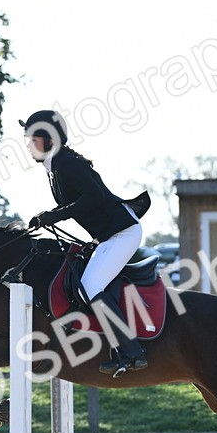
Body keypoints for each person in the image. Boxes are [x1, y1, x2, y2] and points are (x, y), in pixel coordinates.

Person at [21, 110, 150, 376]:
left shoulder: (67, 163)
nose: (29, 145)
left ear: (50, 139)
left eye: (33, 138)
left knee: (90, 284)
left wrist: (53, 215)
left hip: (123, 232)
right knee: (85, 284)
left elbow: (94, 198)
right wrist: (49, 216)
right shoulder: (56, 166)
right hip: (108, 235)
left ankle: (132, 350)